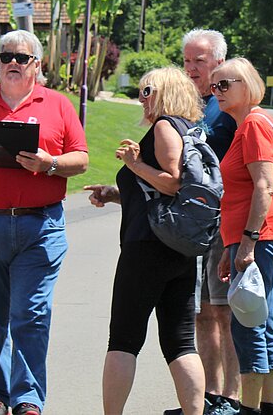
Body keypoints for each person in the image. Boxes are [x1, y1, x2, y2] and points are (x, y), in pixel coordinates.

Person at [0, 30, 89, 415]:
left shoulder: (58, 105)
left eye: (21, 58)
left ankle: (27, 399)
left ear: (36, 65)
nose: (12, 62)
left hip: (39, 227)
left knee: (31, 314)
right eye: (6, 56)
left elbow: (81, 159)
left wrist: (49, 163)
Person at [85, 67, 206, 415]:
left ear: (166, 92)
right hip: (178, 247)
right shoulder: (191, 130)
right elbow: (160, 194)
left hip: (146, 248)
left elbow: (173, 182)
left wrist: (134, 164)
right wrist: (115, 193)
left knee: (123, 340)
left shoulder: (165, 126)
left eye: (147, 91)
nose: (141, 98)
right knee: (180, 343)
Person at [212, 57, 273, 415]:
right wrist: (233, 246)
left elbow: (263, 186)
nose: (217, 91)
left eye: (224, 84)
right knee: (263, 318)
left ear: (248, 85)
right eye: (214, 86)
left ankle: (250, 408)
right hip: (255, 237)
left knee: (248, 323)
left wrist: (247, 242)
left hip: (259, 237)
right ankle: (267, 407)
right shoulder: (249, 124)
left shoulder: (255, 124)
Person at [180, 29, 240, 415]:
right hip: (191, 224)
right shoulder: (186, 104)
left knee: (225, 311)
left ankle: (232, 397)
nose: (190, 68)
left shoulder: (229, 106)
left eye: (198, 61)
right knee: (200, 312)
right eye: (186, 60)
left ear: (218, 62)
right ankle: (210, 395)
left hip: (225, 221)